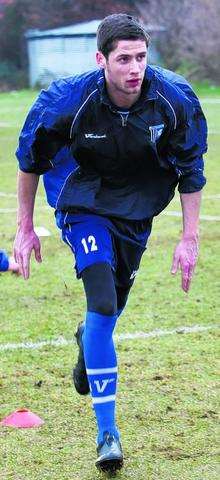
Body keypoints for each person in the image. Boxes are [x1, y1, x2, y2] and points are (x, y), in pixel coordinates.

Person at [14, 13, 207, 473]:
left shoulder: (173, 98)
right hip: (82, 201)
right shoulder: (67, 100)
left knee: (108, 312)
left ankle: (87, 341)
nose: (135, 67)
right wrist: (24, 225)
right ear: (102, 60)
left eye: (141, 56)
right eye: (124, 58)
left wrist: (189, 237)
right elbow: (30, 159)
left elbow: (191, 170)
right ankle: (108, 433)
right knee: (101, 301)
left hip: (138, 212)